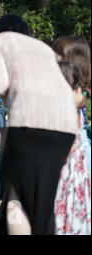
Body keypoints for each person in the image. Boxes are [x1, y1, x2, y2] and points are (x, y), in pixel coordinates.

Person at [0, 14, 77, 235]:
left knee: (16, 197)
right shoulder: (43, 48)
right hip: (65, 127)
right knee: (43, 202)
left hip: (28, 126)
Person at [51, 38, 91, 235]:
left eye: (57, 57)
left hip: (69, 168)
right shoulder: (79, 92)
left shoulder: (73, 94)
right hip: (73, 169)